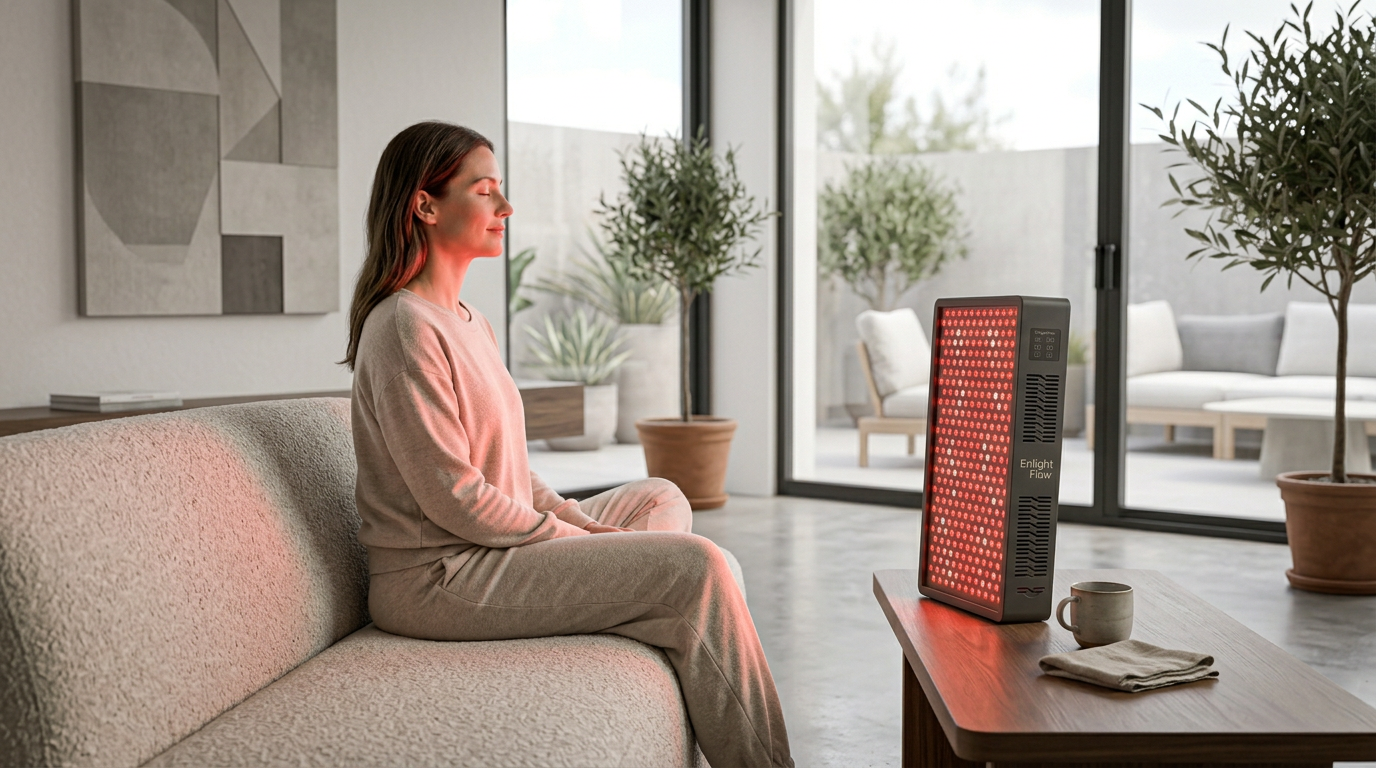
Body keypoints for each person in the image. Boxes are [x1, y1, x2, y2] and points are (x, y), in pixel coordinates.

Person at [343, 121, 793, 768]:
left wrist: (580, 520)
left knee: (658, 497)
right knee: (698, 568)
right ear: (425, 205)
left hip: (491, 550)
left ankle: (648, 599)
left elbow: (513, 475)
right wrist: (578, 543)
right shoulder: (403, 329)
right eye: (486, 190)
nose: (505, 207)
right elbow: (457, 499)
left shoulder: (470, 323)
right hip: (440, 578)